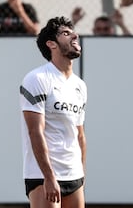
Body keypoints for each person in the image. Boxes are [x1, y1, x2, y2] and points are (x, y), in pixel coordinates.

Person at [19, 16, 86, 207]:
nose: (75, 35)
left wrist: (82, 175)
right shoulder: (37, 78)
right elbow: (35, 132)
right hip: (42, 176)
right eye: (66, 33)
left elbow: (80, 135)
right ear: (51, 44)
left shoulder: (80, 86)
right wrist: (49, 177)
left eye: (73, 32)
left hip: (74, 175)